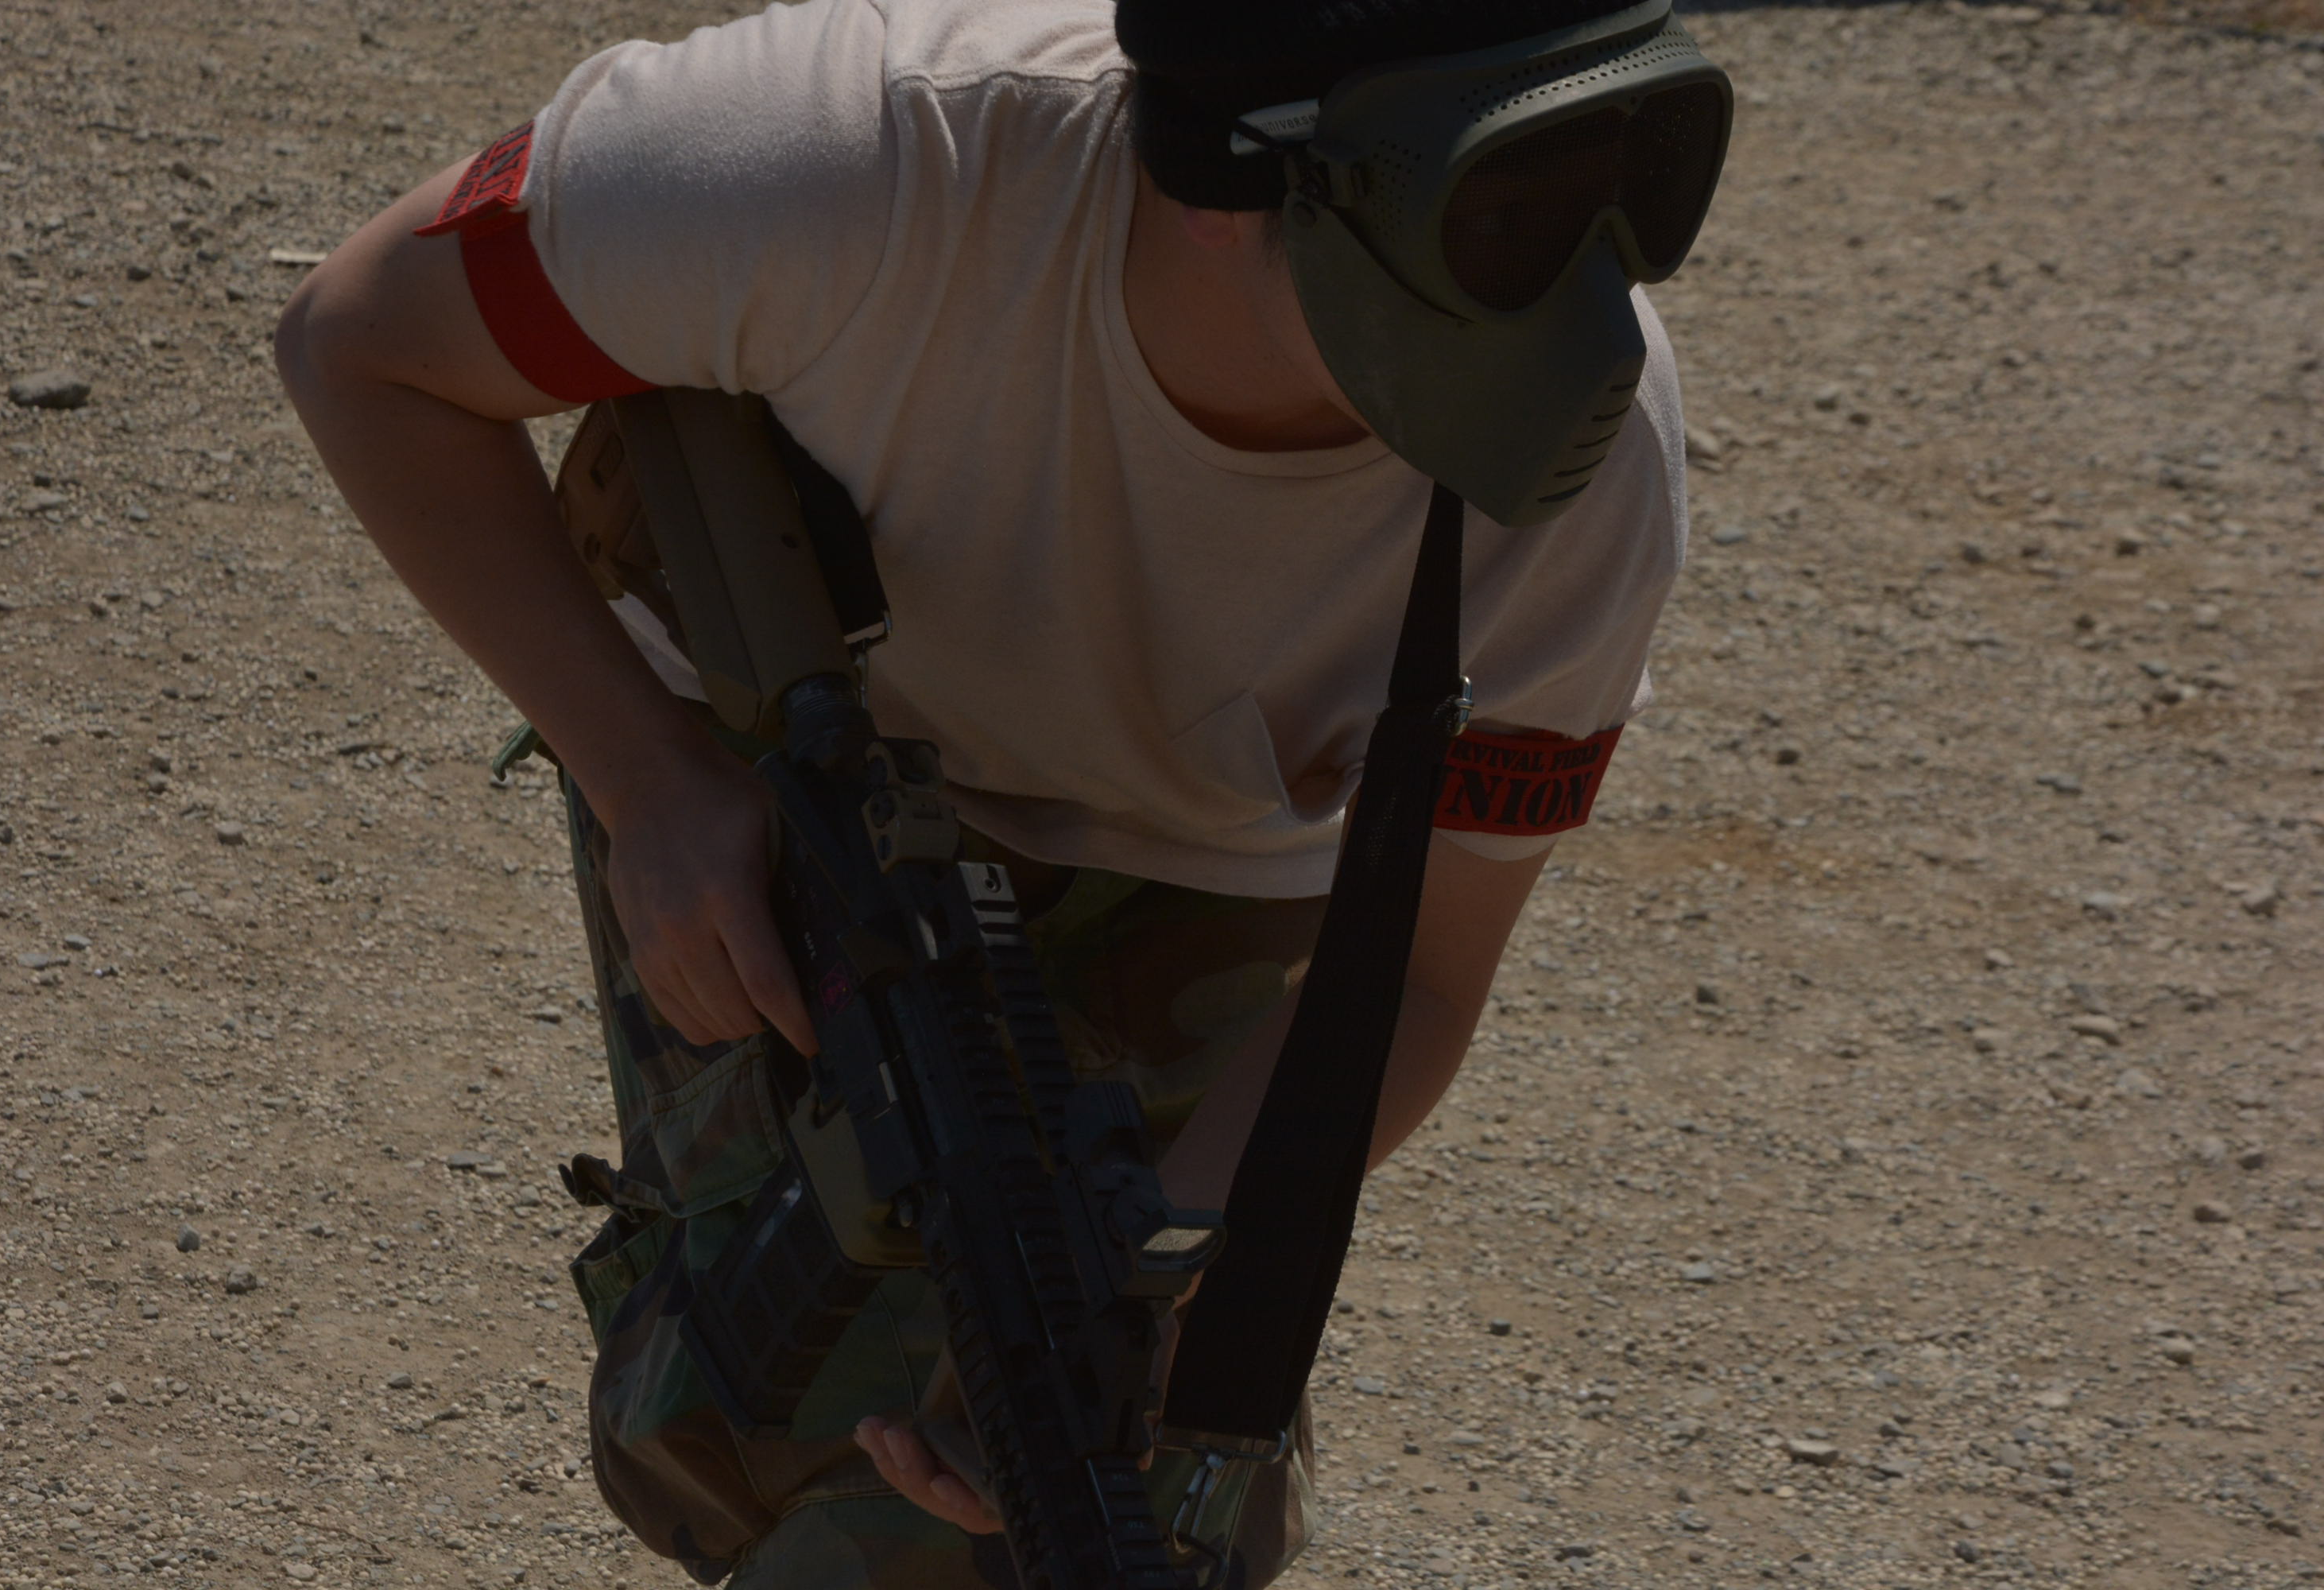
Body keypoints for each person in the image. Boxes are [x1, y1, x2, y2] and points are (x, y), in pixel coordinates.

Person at [277, 0, 1718, 1582]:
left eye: (1631, 176)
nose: (1587, 303)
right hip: (779, 738)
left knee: (1152, 1495)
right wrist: (649, 778)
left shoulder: (1581, 481)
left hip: (1206, 846)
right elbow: (361, 341)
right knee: (783, 1442)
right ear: (1228, 189)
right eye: (1496, 208)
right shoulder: (849, 165)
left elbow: (1417, 980)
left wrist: (1157, 1261)